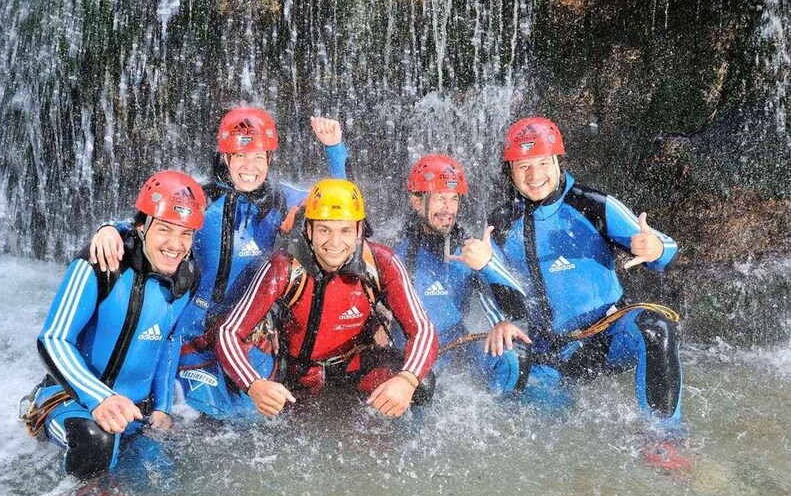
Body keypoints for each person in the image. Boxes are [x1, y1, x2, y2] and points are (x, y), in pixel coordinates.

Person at [88, 108, 347, 419]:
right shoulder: (201, 198)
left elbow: (336, 205)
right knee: (204, 417)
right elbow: (150, 223)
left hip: (247, 330)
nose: (250, 167)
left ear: (269, 160)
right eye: (240, 156)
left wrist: (334, 150)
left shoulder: (282, 201)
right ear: (225, 158)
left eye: (259, 158)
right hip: (192, 331)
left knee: (252, 418)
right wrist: (109, 229)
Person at [461, 116, 683, 423]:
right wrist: (486, 272)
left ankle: (665, 439)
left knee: (654, 326)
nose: (534, 175)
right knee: (543, 409)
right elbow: (500, 289)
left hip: (610, 336)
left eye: (542, 163)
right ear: (510, 172)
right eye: (523, 166)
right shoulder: (501, 222)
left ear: (557, 162)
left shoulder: (592, 205)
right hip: (552, 351)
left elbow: (666, 252)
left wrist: (656, 248)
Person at [190, 178, 438, 418]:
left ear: (360, 230)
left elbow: (423, 329)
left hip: (356, 365)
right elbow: (229, 332)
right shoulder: (283, 267)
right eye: (324, 229)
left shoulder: (381, 262)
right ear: (308, 229)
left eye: (345, 230)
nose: (335, 242)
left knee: (422, 384)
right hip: (298, 373)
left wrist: (407, 380)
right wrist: (254, 385)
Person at [21, 171, 207, 479]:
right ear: (141, 226)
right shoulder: (101, 261)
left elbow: (169, 340)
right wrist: (100, 398)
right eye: (164, 229)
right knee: (98, 441)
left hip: (136, 413)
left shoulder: (187, 275)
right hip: (72, 402)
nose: (175, 244)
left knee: (168, 483)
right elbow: (52, 339)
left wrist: (162, 407)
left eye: (185, 234)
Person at [391, 153, 530, 392]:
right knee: (422, 388)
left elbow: (518, 302)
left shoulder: (472, 248)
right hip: (412, 354)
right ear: (416, 201)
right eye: (439, 198)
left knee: (514, 357)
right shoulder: (395, 254)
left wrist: (502, 320)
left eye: (454, 199)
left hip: (458, 348)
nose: (448, 209)